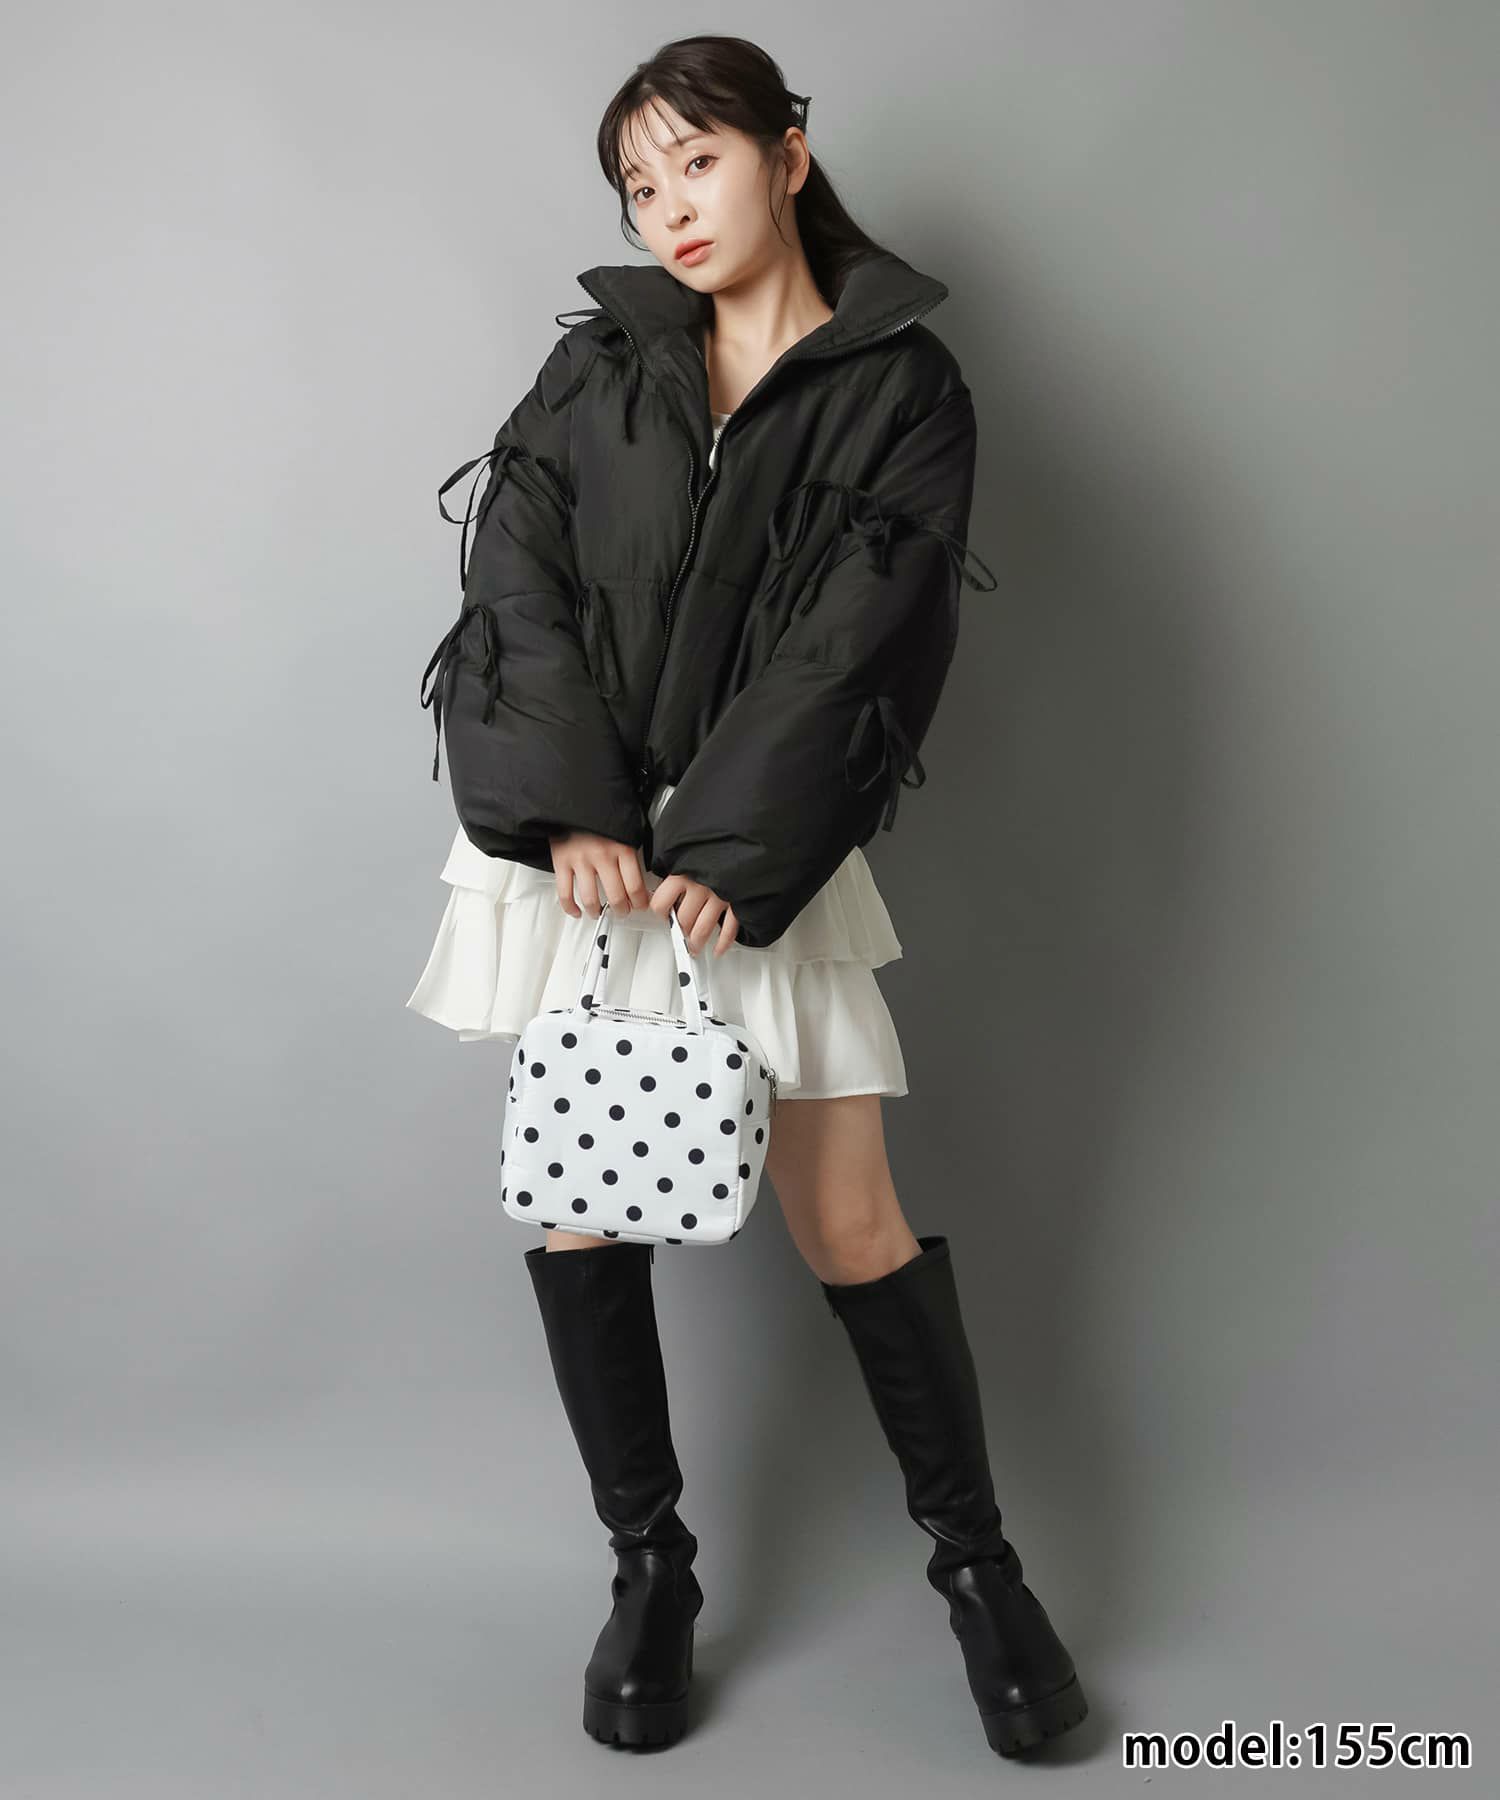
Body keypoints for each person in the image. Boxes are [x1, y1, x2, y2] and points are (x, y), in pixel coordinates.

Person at [408, 33, 1087, 1759]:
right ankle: (650, 1570)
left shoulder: (903, 386)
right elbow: (515, 578)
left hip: (754, 857)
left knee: (847, 1215)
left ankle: (980, 1572)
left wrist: (726, 845)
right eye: (639, 186)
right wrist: (568, 816)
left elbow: (869, 634)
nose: (670, 208)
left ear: (787, 151)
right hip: (583, 865)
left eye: (695, 161)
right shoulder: (599, 365)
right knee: (585, 1202)